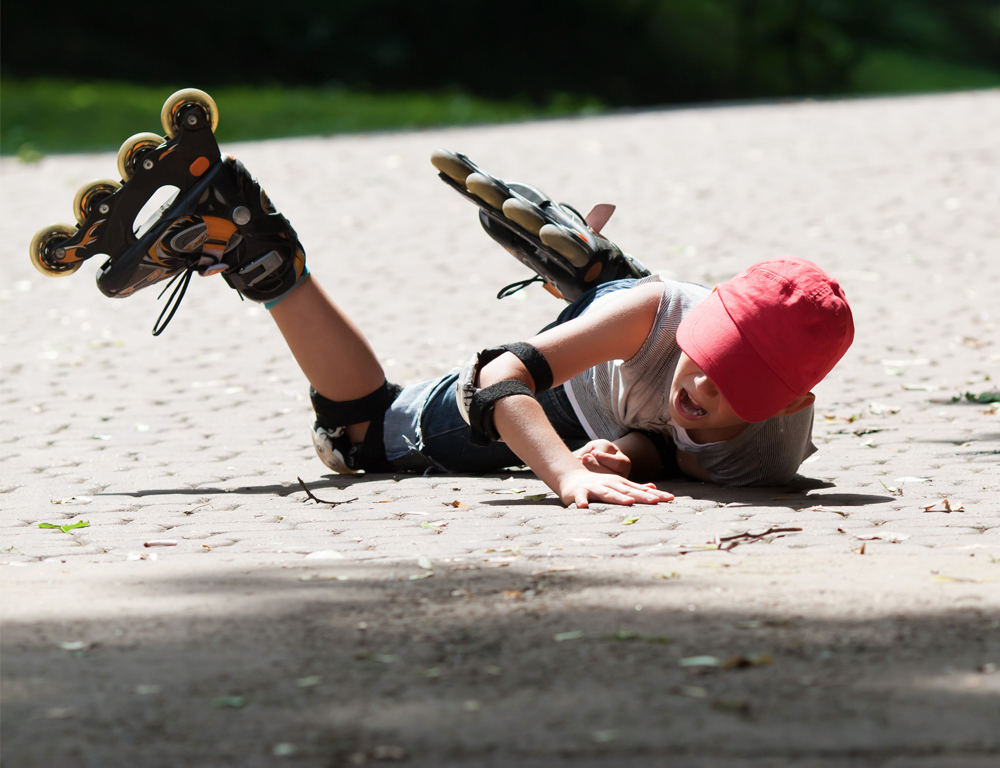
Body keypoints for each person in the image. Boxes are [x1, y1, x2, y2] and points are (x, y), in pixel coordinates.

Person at [53, 149, 855, 508]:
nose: (704, 385)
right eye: (708, 355)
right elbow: (499, 375)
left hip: (617, 378)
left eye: (736, 386)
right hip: (581, 373)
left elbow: (676, 447)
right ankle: (253, 243)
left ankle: (594, 276)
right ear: (705, 311)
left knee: (634, 360)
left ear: (788, 405)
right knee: (357, 435)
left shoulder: (769, 457)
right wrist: (565, 475)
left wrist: (628, 456)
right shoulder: (664, 317)